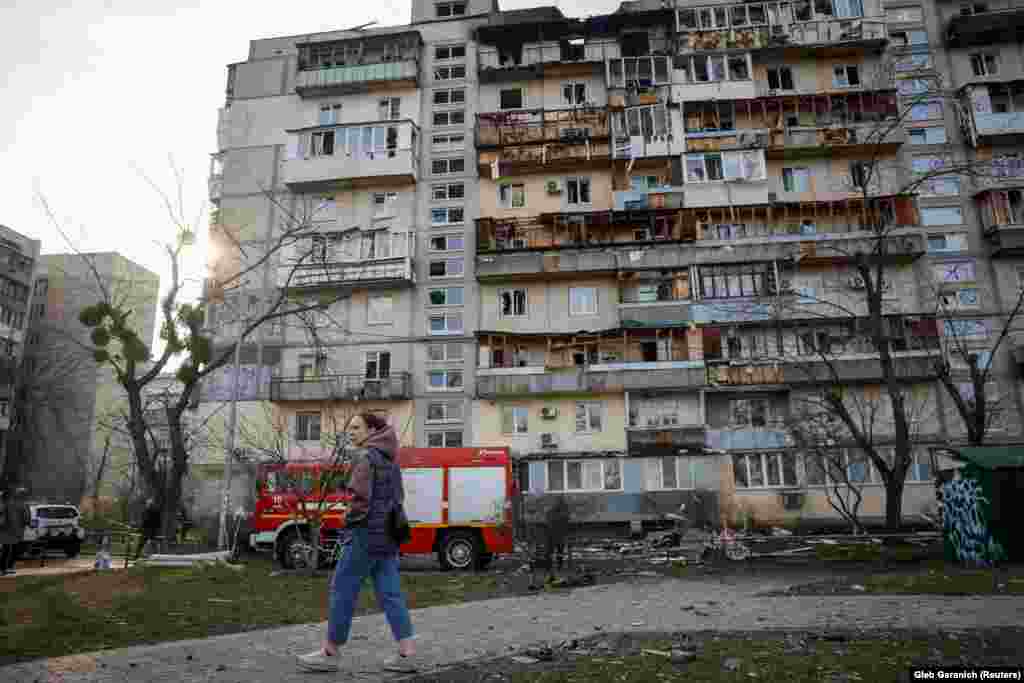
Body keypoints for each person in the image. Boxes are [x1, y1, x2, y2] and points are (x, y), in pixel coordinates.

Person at [297, 412, 417, 674]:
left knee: (342, 588)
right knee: (391, 593)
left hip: (364, 536)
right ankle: (407, 653)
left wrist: (348, 517)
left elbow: (359, 500)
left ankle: (330, 652)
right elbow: (398, 499)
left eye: (356, 427)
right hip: (387, 537)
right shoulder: (390, 460)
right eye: (349, 427)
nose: (350, 432)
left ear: (372, 430)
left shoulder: (365, 458)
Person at [0, 487, 28, 575]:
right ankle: (5, 568)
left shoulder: (11, 504)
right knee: (8, 549)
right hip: (8, 530)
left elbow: (23, 516)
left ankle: (5, 568)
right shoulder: (8, 504)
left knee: (8, 549)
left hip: (10, 529)